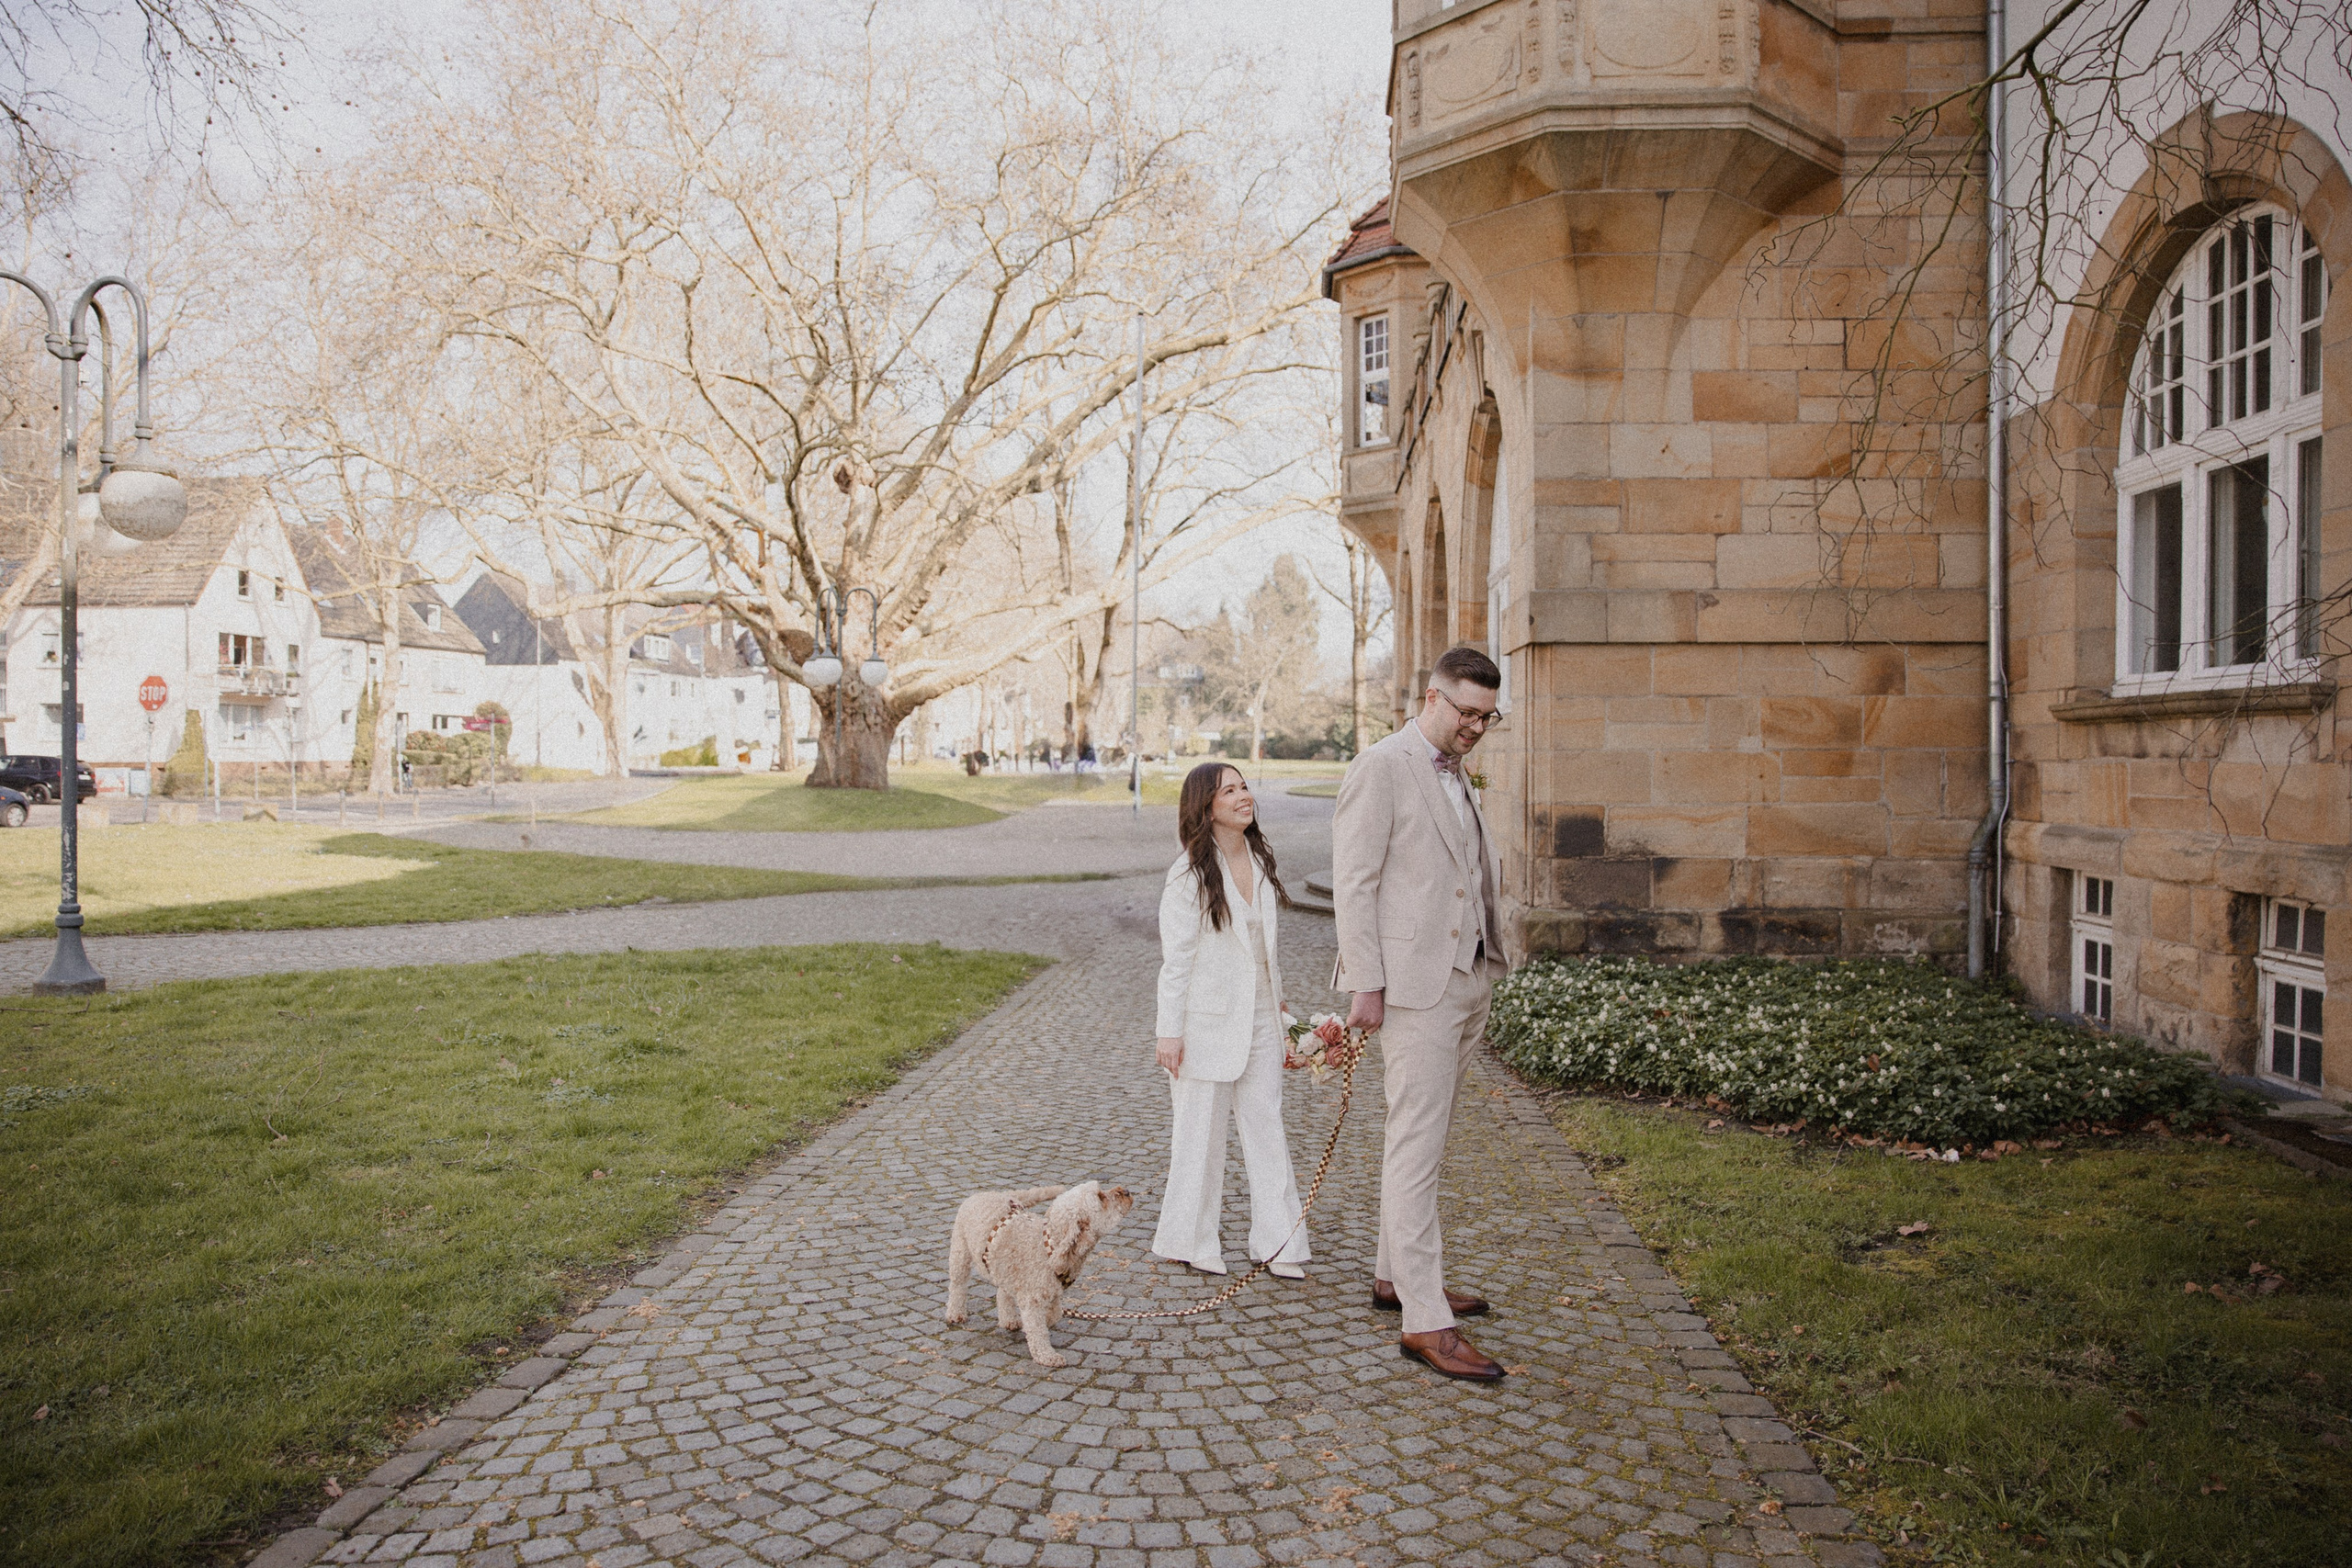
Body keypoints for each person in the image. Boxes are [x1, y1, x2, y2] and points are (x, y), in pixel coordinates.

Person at [1330, 645, 1510, 1381]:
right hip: (1409, 991)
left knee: (1423, 1140)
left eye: (1487, 717)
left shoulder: (1455, 771)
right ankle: (1425, 1320)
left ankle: (1394, 1276)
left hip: (1466, 980)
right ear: (1431, 698)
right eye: (1465, 711)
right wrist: (1365, 983)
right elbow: (1355, 880)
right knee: (1415, 1147)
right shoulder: (1382, 765)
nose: (1474, 727)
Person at [1151, 762, 1311, 1279]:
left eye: (1245, 787)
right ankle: (1191, 1239)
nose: (1245, 796)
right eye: (1231, 790)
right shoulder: (1188, 875)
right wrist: (1169, 1032)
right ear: (1206, 806)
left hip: (1263, 1018)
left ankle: (1279, 1242)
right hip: (1204, 1024)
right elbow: (1175, 961)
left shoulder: (1260, 859)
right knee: (1199, 1134)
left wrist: (1281, 1008)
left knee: (1267, 1126)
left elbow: (1265, 949)